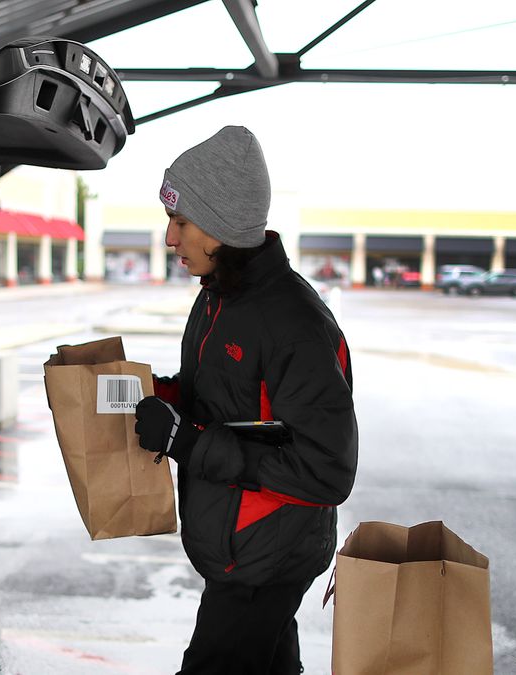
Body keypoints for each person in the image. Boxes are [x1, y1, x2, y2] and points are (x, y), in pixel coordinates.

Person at [134, 126, 358, 674]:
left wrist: (186, 441)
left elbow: (328, 471)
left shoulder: (293, 323)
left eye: (180, 223)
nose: (169, 239)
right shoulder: (218, 299)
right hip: (242, 546)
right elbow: (221, 403)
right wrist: (155, 398)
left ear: (220, 226)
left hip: (267, 553)